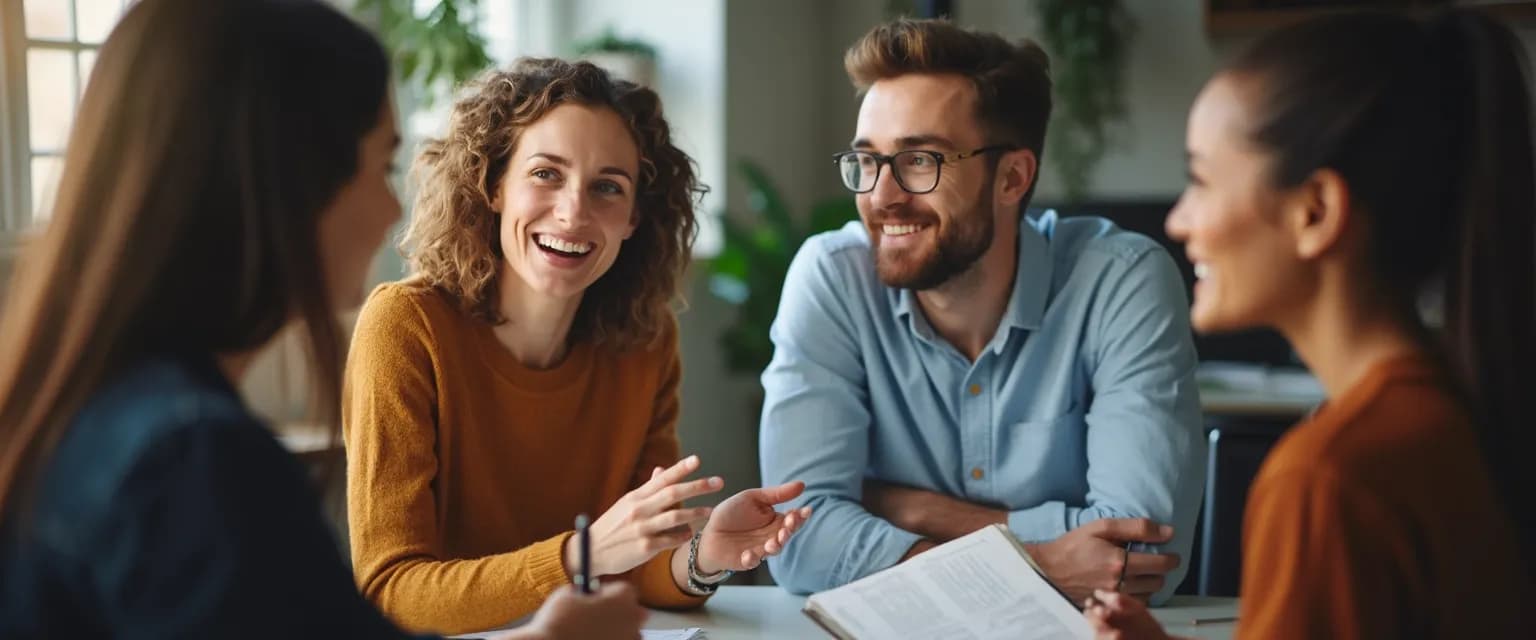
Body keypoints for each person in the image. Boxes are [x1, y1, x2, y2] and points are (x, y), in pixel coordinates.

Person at [0, 1, 646, 638]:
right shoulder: (192, 464)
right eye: (382, 165)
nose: (394, 205)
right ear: (289, 183)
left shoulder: (89, 411)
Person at [1085, 9, 1536, 639]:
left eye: (1201, 181)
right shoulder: (1453, 406)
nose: (1178, 221)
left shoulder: (1326, 478)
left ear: (1315, 211)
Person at [343, 57, 813, 635]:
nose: (573, 212)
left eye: (607, 188)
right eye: (545, 174)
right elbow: (391, 590)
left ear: (635, 217)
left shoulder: (646, 341)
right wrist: (579, 557)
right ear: (494, 185)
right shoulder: (405, 328)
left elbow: (634, 563)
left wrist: (702, 556)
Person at [759, 18, 1205, 605]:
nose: (882, 196)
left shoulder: (1120, 280)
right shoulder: (833, 277)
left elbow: (1143, 558)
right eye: (867, 162)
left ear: (1013, 177)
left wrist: (908, 508)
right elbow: (798, 539)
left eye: (921, 160)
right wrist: (1042, 562)